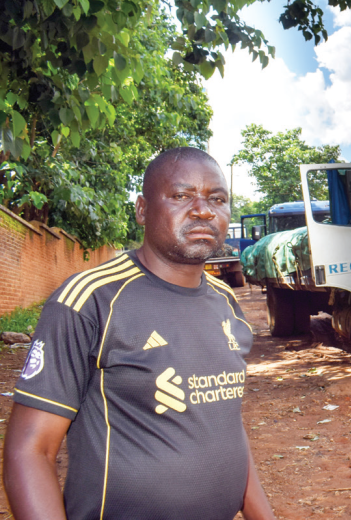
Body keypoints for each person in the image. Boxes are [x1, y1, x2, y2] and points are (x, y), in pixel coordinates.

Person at [2, 147, 275, 519]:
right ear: (142, 209)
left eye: (218, 199)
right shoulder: (91, 300)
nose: (203, 210)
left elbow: (225, 423)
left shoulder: (226, 301)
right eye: (181, 196)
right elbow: (30, 451)